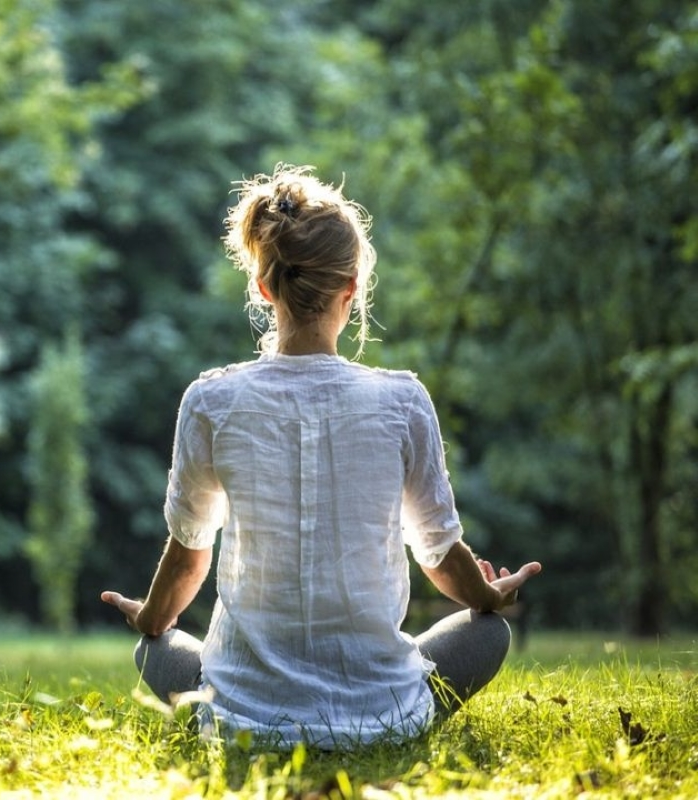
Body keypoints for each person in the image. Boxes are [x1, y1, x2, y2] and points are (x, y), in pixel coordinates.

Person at [100, 164, 542, 750]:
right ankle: (383, 719)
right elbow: (438, 553)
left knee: (151, 648)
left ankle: (238, 701)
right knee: (488, 637)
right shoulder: (402, 400)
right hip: (382, 714)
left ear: (263, 287)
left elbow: (188, 557)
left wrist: (151, 618)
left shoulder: (210, 400)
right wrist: (489, 597)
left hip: (243, 723)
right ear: (351, 289)